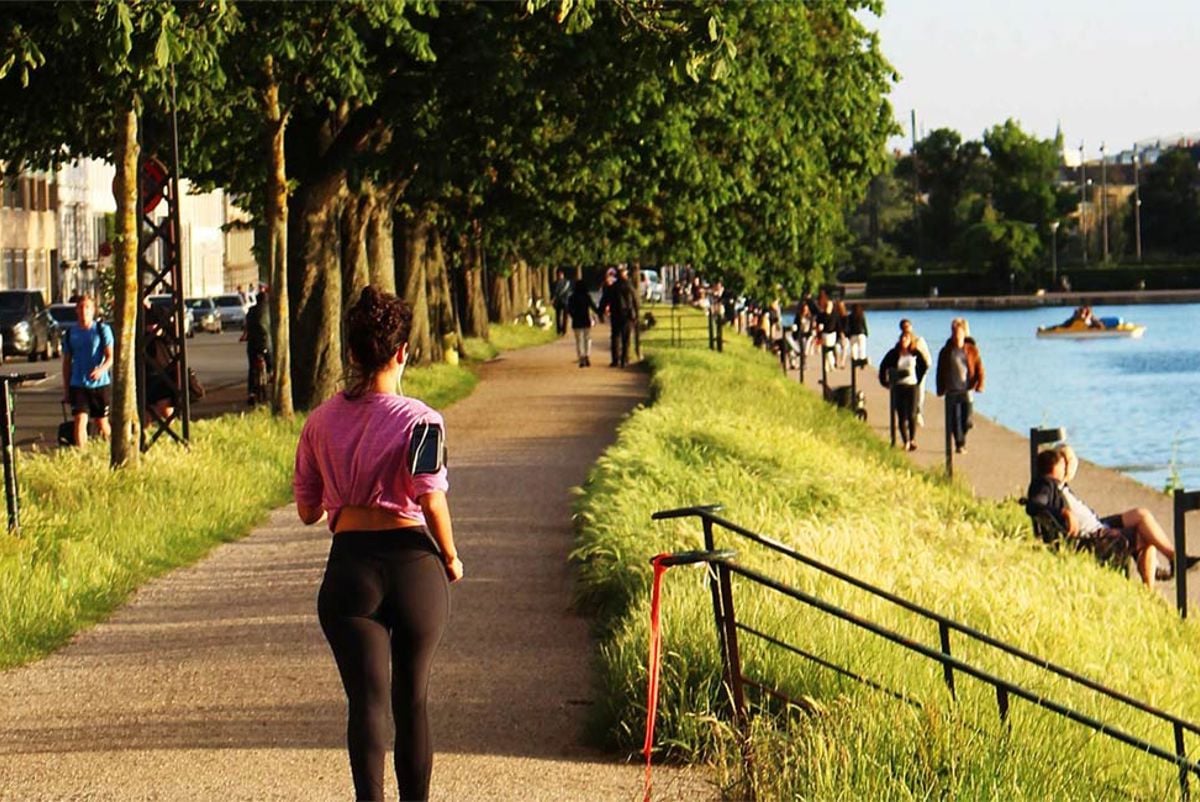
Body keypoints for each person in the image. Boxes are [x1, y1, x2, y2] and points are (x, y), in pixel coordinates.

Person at [294, 286, 463, 802]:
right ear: (402, 352)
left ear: (350, 354)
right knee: (412, 699)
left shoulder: (319, 422)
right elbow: (430, 500)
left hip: (350, 569)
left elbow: (307, 510)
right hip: (413, 564)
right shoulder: (422, 421)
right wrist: (451, 558)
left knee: (366, 703)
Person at [1026, 447, 1198, 588]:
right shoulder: (1045, 485)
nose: (1067, 467)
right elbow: (1035, 505)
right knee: (1144, 536)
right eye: (1064, 464)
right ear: (1055, 467)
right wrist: (1064, 513)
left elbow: (1066, 470)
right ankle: (1157, 583)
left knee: (1141, 514)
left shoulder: (1059, 485)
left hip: (1099, 525)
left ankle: (1174, 559)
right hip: (1092, 536)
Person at [61, 294, 113, 447]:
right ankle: (81, 454)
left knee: (101, 422)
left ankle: (111, 450)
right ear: (76, 310)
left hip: (100, 384)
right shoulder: (71, 333)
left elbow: (110, 357)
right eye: (81, 307)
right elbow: (66, 363)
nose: (84, 311)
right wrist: (66, 390)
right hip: (78, 383)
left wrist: (101, 370)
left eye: (87, 307)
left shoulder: (102, 330)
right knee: (79, 420)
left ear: (93, 310)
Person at [935, 317, 985, 454]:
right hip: (952, 390)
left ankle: (962, 438)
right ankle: (959, 444)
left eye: (959, 334)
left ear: (964, 334)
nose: (957, 336)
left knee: (967, 420)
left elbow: (980, 368)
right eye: (954, 333)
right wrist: (940, 389)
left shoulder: (971, 350)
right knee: (955, 420)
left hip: (966, 389)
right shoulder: (946, 351)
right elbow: (940, 371)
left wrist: (980, 384)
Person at [879, 330, 927, 451]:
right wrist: (885, 381)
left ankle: (912, 439)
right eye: (902, 338)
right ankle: (905, 441)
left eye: (906, 338)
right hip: (899, 386)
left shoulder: (915, 353)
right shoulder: (894, 353)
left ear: (911, 340)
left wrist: (918, 379)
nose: (904, 341)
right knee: (901, 416)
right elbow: (883, 366)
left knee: (912, 414)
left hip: (912, 386)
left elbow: (924, 366)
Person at [599, 265, 639, 367]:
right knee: (626, 338)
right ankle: (624, 360)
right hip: (627, 315)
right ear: (625, 275)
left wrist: (601, 312)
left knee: (615, 336)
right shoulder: (629, 286)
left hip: (615, 314)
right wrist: (636, 313)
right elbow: (635, 300)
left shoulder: (612, 287)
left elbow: (604, 300)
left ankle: (615, 360)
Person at [899, 319, 933, 427]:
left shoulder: (919, 341)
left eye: (908, 326)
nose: (907, 329)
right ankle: (908, 417)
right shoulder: (901, 342)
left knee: (920, 395)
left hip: (920, 372)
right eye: (904, 327)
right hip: (906, 376)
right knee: (907, 397)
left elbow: (927, 357)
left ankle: (917, 414)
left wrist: (926, 367)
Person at [241, 286, 272, 404]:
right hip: (265, 343)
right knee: (271, 362)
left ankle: (251, 392)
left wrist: (245, 336)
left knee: (252, 368)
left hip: (252, 344)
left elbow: (247, 327)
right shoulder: (269, 311)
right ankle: (271, 374)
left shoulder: (251, 311)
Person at [566, 278, 600, 367]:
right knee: (587, 339)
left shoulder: (572, 297)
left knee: (579, 340)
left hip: (576, 321)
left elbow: (569, 309)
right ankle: (587, 355)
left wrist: (573, 315)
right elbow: (593, 306)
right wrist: (599, 312)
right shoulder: (586, 296)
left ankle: (581, 357)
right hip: (585, 320)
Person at [846, 303, 869, 368]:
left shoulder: (850, 316)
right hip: (861, 334)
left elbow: (848, 326)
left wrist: (848, 335)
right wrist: (866, 333)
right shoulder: (862, 315)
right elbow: (865, 325)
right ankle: (862, 362)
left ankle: (854, 361)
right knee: (862, 348)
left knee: (853, 348)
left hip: (853, 335)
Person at [550, 268, 572, 337]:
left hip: (564, 301)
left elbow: (568, 292)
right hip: (561, 301)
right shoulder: (556, 283)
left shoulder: (565, 283)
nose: (560, 276)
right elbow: (553, 293)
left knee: (564, 317)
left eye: (561, 274)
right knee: (558, 317)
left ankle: (563, 330)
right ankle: (559, 330)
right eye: (559, 274)